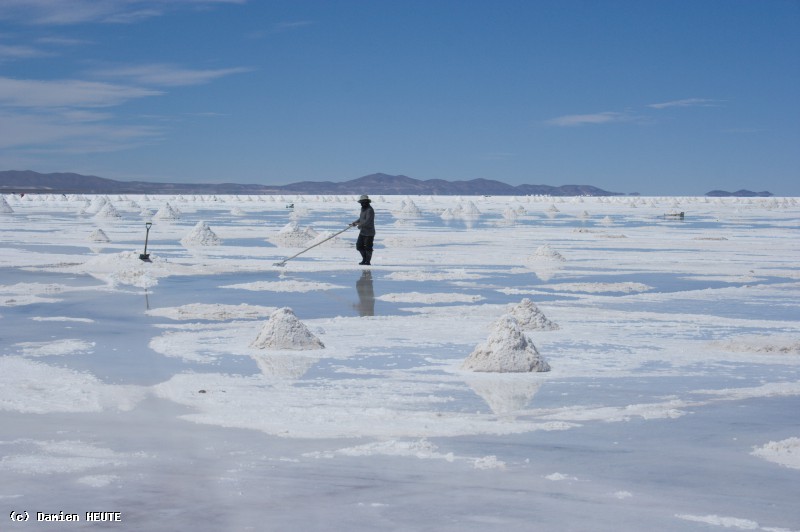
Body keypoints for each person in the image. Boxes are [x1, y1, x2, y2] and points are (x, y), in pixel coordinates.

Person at [350, 194, 375, 265]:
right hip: (363, 232)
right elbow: (361, 219)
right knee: (359, 246)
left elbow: (367, 222)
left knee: (368, 247)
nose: (362, 204)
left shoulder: (370, 210)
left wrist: (358, 224)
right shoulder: (363, 209)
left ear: (367, 202)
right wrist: (355, 222)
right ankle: (364, 259)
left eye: (364, 202)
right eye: (361, 202)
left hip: (369, 232)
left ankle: (368, 261)